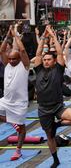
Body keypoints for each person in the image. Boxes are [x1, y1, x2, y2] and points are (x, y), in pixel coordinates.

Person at [34, 26, 71, 168]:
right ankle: (55, 160)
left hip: (58, 106)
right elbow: (38, 52)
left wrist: (53, 35)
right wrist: (42, 37)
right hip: (43, 108)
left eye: (49, 59)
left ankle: (57, 124)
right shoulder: (39, 69)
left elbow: (60, 53)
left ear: (54, 61)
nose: (46, 61)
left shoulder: (58, 69)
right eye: (45, 59)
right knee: (50, 136)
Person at [0, 26, 30, 160]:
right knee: (16, 124)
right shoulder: (7, 65)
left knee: (22, 129)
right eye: (10, 59)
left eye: (14, 59)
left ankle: (18, 150)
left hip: (20, 103)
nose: (11, 61)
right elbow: (1, 50)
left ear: (19, 59)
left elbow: (22, 50)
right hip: (6, 101)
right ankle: (13, 122)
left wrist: (15, 36)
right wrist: (7, 35)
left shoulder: (24, 66)